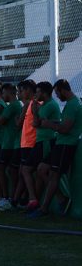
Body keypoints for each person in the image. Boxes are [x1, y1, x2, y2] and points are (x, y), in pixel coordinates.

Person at [30, 79, 80, 218]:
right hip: (60, 142)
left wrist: (49, 124)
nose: (57, 96)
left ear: (63, 90)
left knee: (53, 175)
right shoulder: (70, 104)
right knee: (41, 169)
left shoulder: (72, 105)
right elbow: (61, 124)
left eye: (57, 93)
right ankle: (61, 198)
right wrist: (51, 123)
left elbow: (65, 128)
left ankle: (44, 208)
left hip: (66, 144)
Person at [28, 81, 60, 215]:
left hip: (46, 141)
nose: (36, 94)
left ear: (45, 93)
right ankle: (34, 201)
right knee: (36, 171)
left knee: (35, 170)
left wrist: (35, 111)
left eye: (38, 92)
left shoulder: (49, 106)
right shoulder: (45, 105)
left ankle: (39, 200)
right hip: (41, 141)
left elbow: (35, 123)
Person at [0, 83, 22, 211]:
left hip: (10, 144)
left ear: (9, 92)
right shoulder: (16, 105)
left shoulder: (13, 106)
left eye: (3, 93)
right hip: (11, 142)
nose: (2, 96)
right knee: (11, 171)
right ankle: (10, 198)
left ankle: (8, 198)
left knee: (2, 169)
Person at [15, 80, 40, 211]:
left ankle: (31, 199)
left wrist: (16, 119)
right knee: (24, 172)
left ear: (28, 91)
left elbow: (18, 124)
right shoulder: (30, 104)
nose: (20, 93)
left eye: (21, 90)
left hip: (30, 143)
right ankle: (23, 199)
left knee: (25, 171)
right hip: (26, 143)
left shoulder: (31, 104)